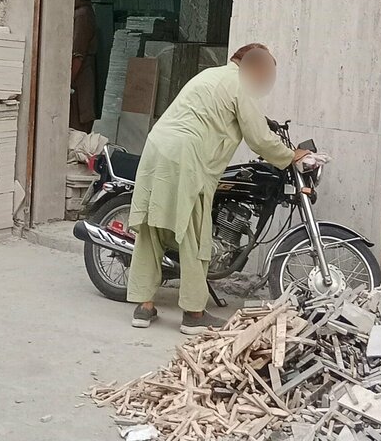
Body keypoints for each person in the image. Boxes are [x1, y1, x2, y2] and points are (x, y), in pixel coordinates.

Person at [127, 43, 310, 336]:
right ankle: (193, 314)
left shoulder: (211, 75)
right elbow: (259, 138)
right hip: (186, 156)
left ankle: (144, 307)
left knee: (152, 227)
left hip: (157, 147)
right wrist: (292, 155)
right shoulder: (240, 84)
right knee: (194, 234)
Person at [70, 0, 97, 133]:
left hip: (79, 82)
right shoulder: (76, 12)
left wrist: (66, 83)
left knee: (76, 132)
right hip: (77, 80)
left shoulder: (83, 14)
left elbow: (77, 55)